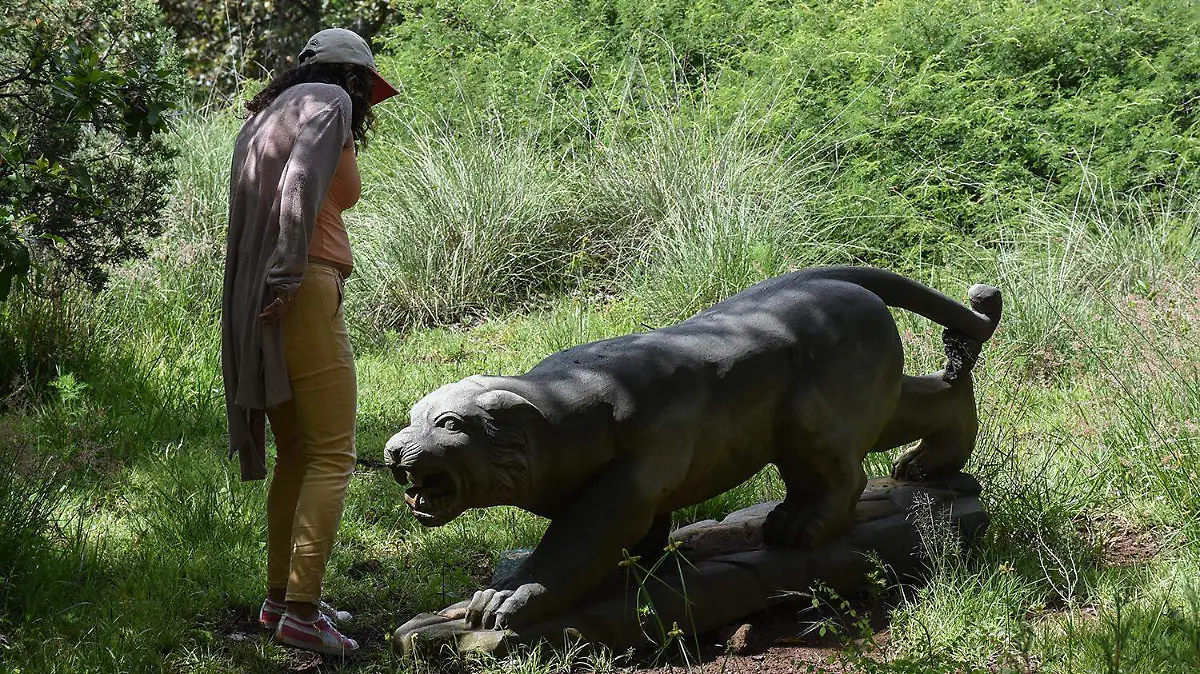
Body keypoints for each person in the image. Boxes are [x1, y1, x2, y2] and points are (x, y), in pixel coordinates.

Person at [220, 28, 398, 656]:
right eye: (367, 89)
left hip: (261, 299)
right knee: (333, 454)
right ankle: (301, 612)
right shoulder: (331, 101)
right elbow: (299, 188)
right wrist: (292, 272)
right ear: (354, 78)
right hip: (300, 289)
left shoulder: (265, 116)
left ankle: (282, 599)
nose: (367, 104)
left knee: (296, 453)